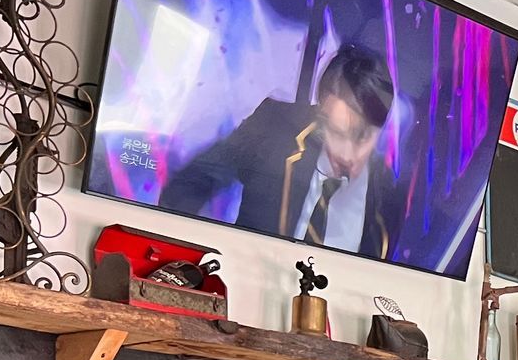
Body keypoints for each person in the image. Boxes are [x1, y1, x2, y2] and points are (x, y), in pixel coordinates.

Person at [161, 43, 407, 258]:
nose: (346, 153)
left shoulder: (386, 193)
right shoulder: (274, 127)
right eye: (335, 132)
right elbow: (190, 182)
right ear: (322, 109)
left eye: (360, 135)